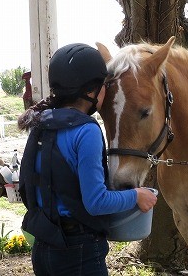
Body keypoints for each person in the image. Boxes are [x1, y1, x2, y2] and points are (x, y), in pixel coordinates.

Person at [17, 43, 157, 276]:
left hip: (43, 246)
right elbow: (96, 202)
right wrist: (136, 195)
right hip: (78, 250)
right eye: (104, 86)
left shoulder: (40, 123)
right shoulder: (86, 131)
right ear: (92, 91)